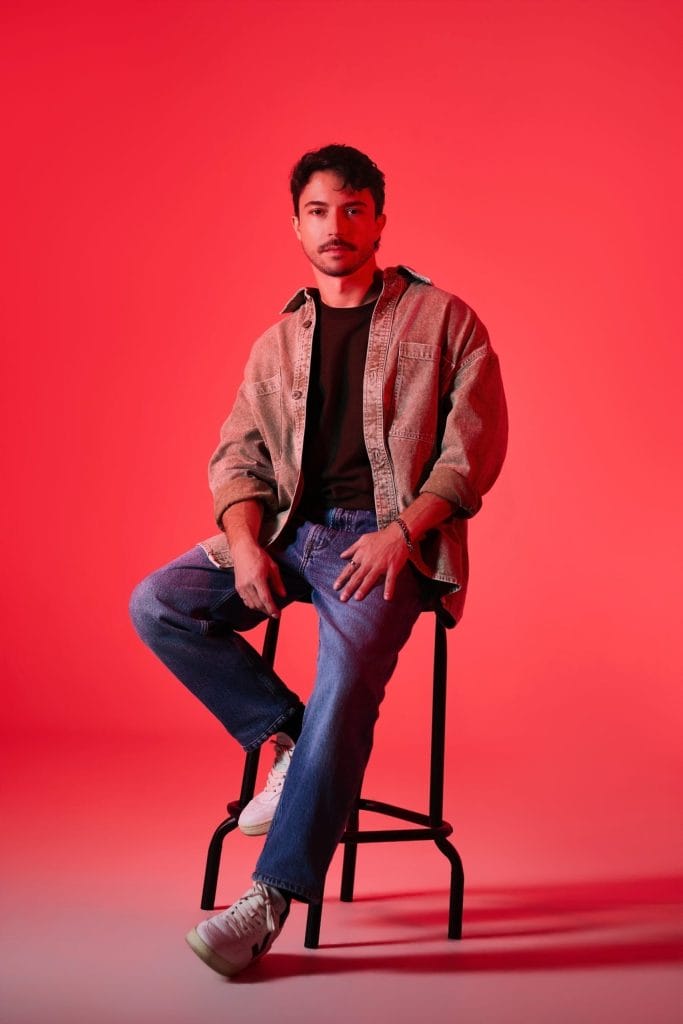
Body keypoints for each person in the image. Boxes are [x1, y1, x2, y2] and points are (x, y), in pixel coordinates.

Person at [129, 143, 508, 977]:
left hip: (385, 542)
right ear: (295, 224)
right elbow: (237, 458)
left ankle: (268, 897)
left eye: (352, 210)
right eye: (317, 211)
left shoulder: (444, 320)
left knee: (345, 678)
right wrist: (243, 545)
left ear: (379, 220)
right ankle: (291, 739)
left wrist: (402, 532)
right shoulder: (276, 343)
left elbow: (470, 452)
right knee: (157, 602)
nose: (335, 227)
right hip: (287, 534)